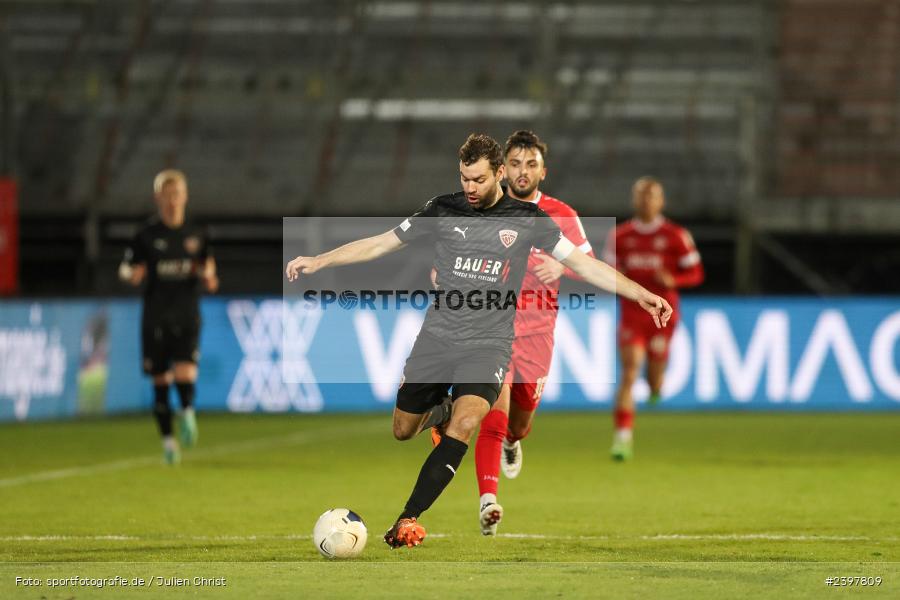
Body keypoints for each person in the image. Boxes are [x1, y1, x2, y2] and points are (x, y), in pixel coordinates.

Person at [286, 134, 672, 550]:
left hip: (489, 345)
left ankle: (407, 518)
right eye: (464, 178)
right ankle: (443, 410)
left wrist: (641, 293)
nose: (470, 187)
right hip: (438, 339)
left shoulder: (528, 219)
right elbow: (382, 242)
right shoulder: (443, 209)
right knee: (402, 430)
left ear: (499, 174)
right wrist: (320, 260)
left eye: (479, 179)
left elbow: (584, 264)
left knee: (469, 422)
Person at [470, 130, 594, 536]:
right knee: (494, 412)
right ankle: (488, 501)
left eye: (531, 164)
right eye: (516, 164)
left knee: (519, 423)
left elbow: (590, 265)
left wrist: (562, 266)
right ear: (502, 169)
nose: (523, 171)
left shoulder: (561, 214)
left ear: (543, 171)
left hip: (538, 335)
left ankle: (513, 441)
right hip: (492, 331)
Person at [119, 169, 218, 465]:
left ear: (185, 196)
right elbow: (125, 268)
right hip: (156, 317)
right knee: (160, 379)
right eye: (167, 195)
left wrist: (210, 278)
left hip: (187, 314)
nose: (172, 201)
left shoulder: (197, 234)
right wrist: (131, 274)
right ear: (157, 198)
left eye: (177, 195)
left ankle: (187, 411)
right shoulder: (145, 235)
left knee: (185, 373)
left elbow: (210, 270)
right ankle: (168, 443)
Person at [603, 177, 704, 461]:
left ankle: (655, 386)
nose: (646, 201)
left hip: (663, 315)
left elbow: (696, 273)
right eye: (641, 196)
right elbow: (607, 271)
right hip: (633, 314)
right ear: (634, 200)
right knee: (630, 371)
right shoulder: (620, 236)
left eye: (652, 196)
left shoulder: (675, 235)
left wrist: (674, 280)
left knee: (655, 379)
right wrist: (619, 278)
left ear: (661, 201)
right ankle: (622, 439)